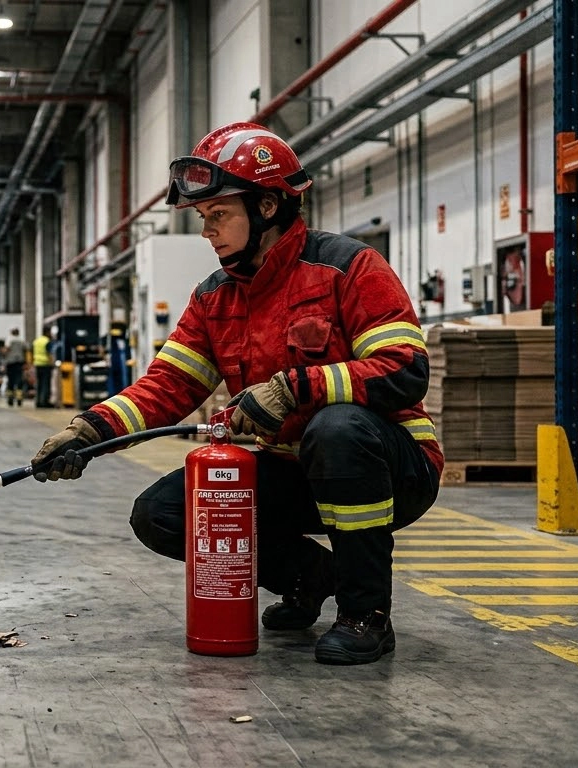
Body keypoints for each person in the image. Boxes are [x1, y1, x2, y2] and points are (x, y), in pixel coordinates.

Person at [30, 122, 442, 665]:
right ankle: (312, 576)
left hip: (390, 465)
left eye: (218, 215)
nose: (208, 232)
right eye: (205, 218)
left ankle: (365, 614)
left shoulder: (348, 267)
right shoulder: (213, 299)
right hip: (296, 471)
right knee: (163, 513)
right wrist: (92, 432)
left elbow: (404, 370)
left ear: (267, 206)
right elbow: (168, 387)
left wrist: (295, 388)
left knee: (337, 427)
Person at [3, 328, 28, 407]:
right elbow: (26, 350)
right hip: (20, 363)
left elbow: (6, 350)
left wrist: (5, 356)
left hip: (10, 363)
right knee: (19, 381)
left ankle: (10, 399)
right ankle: (19, 400)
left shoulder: (9, 340)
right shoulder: (21, 340)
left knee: (11, 381)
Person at [32, 327, 55, 408]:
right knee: (46, 384)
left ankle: (38, 402)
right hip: (45, 365)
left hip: (37, 364)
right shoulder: (47, 341)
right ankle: (44, 402)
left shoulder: (36, 341)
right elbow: (50, 354)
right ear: (47, 332)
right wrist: (52, 363)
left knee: (39, 384)